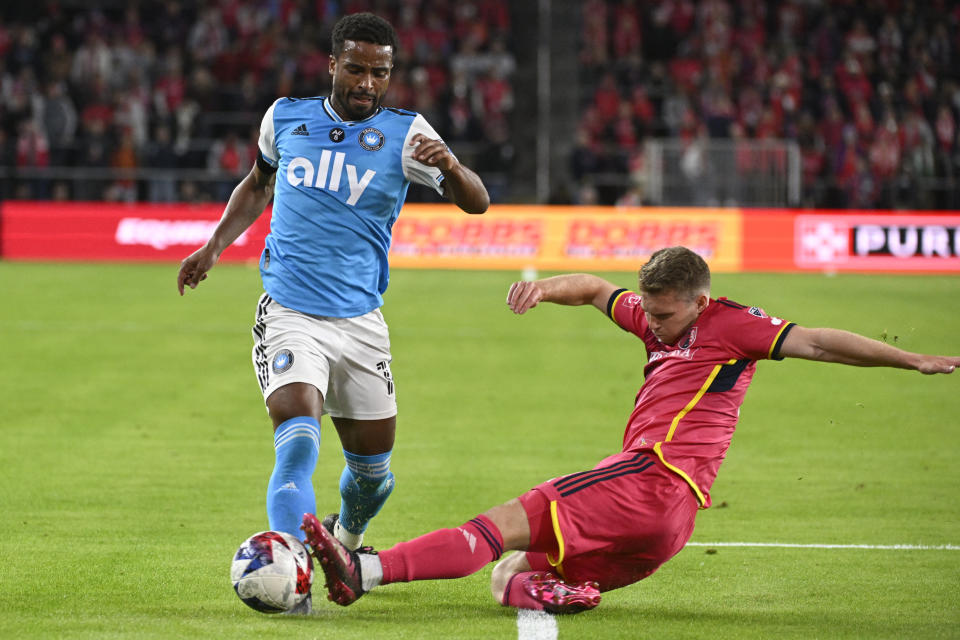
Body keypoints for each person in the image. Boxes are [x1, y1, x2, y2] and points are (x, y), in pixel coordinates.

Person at [301, 246, 959, 614]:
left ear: (701, 301)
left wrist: (912, 360)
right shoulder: (652, 317)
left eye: (667, 314)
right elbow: (594, 290)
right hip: (668, 528)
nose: (654, 323)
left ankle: (365, 571)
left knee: (499, 523)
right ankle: (562, 590)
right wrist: (547, 287)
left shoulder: (731, 326)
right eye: (648, 309)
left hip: (652, 478)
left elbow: (816, 342)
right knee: (505, 577)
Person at [177, 9, 489, 588]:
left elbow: (477, 202)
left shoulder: (409, 133)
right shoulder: (286, 117)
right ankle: (289, 569)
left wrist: (451, 165)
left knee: (373, 473)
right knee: (297, 433)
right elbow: (257, 182)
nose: (367, 84)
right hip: (290, 311)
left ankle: (343, 544)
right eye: (355, 70)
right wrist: (214, 246)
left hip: (361, 322)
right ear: (332, 66)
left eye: (379, 72)